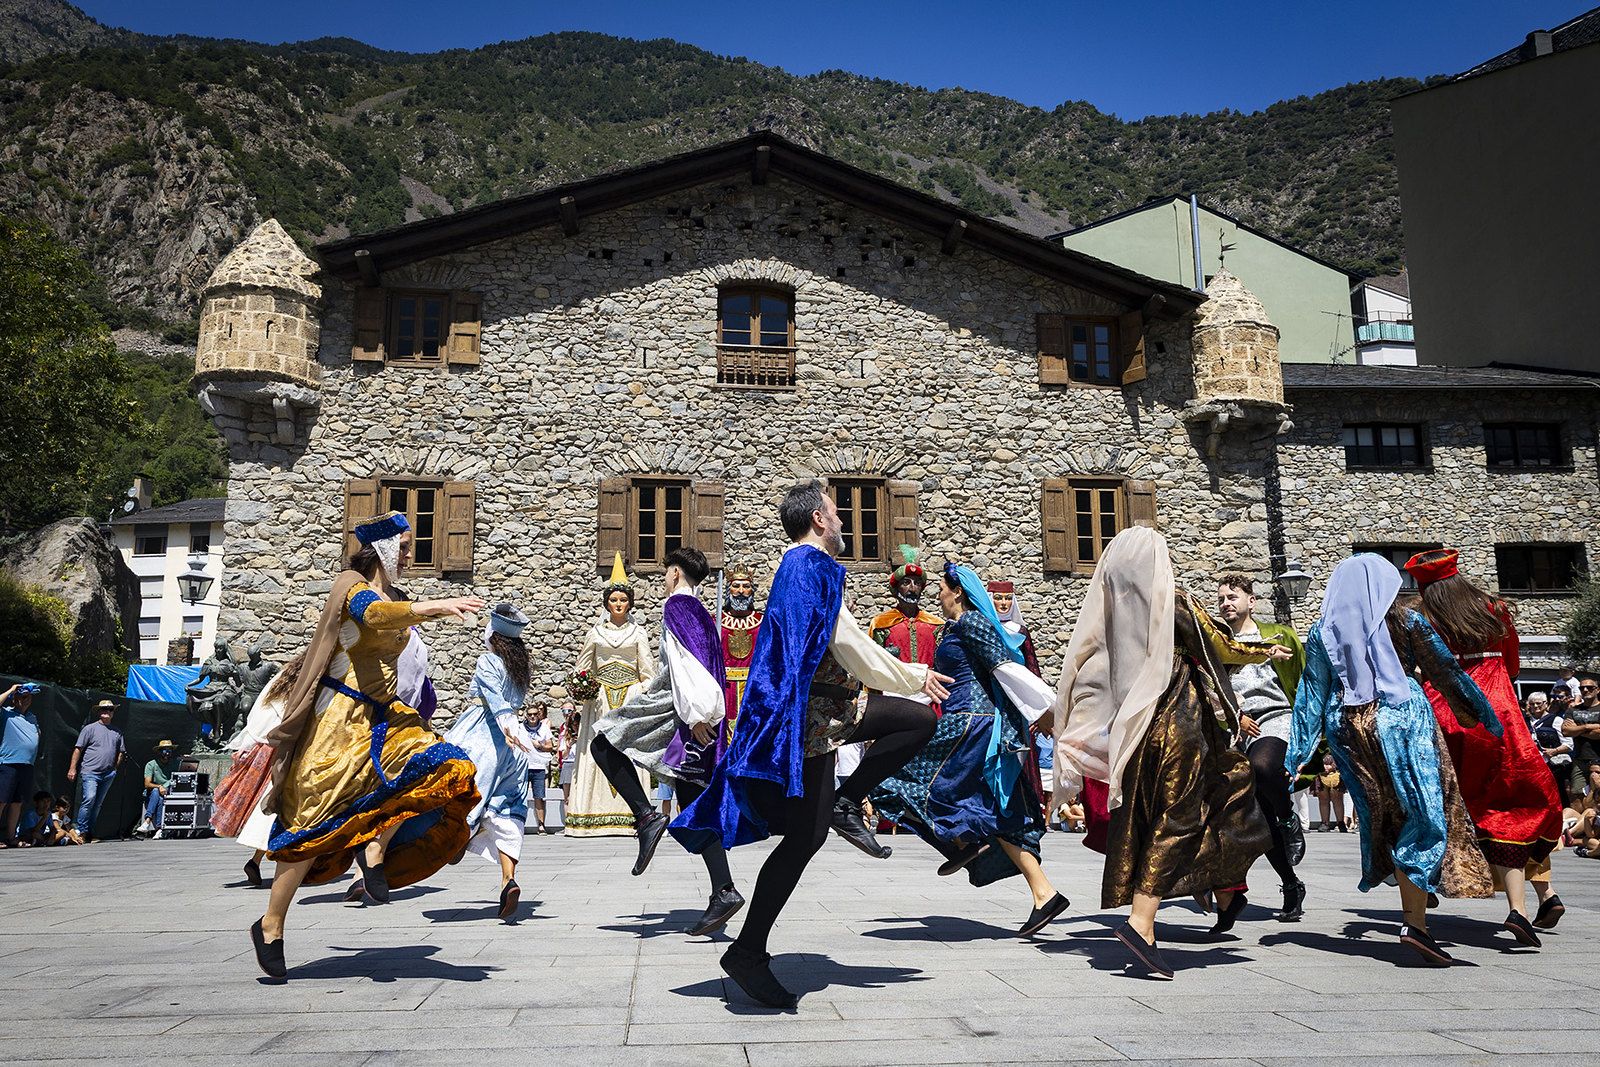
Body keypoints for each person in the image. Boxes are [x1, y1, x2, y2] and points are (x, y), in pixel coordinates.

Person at [672, 480, 950, 1009]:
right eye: (837, 513)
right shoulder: (807, 567)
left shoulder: (807, 569)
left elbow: (836, 636)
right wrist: (911, 676)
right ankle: (749, 950)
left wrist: (906, 675)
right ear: (819, 520)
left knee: (813, 830)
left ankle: (751, 947)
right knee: (807, 835)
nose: (844, 521)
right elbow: (837, 643)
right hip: (813, 719)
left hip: (825, 711)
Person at [248, 511, 483, 980]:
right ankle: (271, 924)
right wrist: (436, 607)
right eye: (406, 547)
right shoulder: (351, 585)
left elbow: (396, 623)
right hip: (337, 723)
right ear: (382, 549)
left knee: (446, 767)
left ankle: (375, 852)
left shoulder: (397, 596)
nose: (411, 555)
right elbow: (374, 616)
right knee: (310, 830)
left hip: (386, 719)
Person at [1052, 527, 1273, 980]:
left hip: (1135, 729)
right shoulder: (1174, 599)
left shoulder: (1114, 613)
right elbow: (1215, 646)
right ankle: (1142, 922)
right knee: (1185, 814)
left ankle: (1219, 889)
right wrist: (1256, 663)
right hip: (1180, 720)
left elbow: (1088, 666)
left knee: (1178, 807)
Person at [1287, 553, 1499, 968]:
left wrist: (1297, 753)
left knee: (1384, 815)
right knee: (1424, 813)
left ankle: (1415, 897)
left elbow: (1311, 693)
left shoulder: (1320, 630)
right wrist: (1480, 714)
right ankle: (1414, 921)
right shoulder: (1406, 620)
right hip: (1401, 720)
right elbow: (1446, 672)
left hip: (1346, 725)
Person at [872, 561, 1068, 936]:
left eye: (942, 590)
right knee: (1002, 813)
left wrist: (1046, 710)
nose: (939, 596)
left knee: (890, 780)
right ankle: (1046, 894)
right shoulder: (955, 629)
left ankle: (963, 841)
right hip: (965, 721)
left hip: (970, 725)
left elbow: (1007, 668)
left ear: (957, 591)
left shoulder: (972, 623)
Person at [1403, 549, 1564, 940]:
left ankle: (1425, 888)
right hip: (1500, 713)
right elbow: (1512, 665)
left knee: (1452, 806)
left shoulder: (1423, 615)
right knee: (1516, 802)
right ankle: (1531, 900)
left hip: (1448, 714)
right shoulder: (1495, 607)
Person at [591, 546, 747, 936]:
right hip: (695, 713)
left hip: (677, 708)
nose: (663, 579)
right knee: (692, 802)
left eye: (665, 573)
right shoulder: (704, 614)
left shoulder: (678, 606)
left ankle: (646, 817)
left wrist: (695, 716)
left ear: (675, 573)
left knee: (602, 743)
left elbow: (687, 663)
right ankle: (724, 890)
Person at [1215, 574, 1309, 922]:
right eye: (1221, 598)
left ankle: (1289, 818)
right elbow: (1213, 685)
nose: (1226, 603)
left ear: (1251, 601)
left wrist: (1311, 729)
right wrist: (1235, 715)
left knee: (1265, 768)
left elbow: (1303, 678)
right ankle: (1291, 884)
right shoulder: (1219, 643)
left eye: (1233, 596)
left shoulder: (1277, 635)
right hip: (1237, 727)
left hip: (1277, 716)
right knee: (1257, 814)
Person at [441, 602, 534, 920]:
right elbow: (511, 702)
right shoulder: (520, 665)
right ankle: (508, 880)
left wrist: (506, 727)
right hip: (516, 742)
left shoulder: (487, 661)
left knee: (461, 787)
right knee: (507, 809)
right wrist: (514, 731)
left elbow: (494, 699)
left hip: (484, 731)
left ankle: (458, 840)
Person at [567, 554, 655, 836]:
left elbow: (648, 672)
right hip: (601, 700)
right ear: (607, 603)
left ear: (630, 603)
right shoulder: (594, 634)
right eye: (614, 600)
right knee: (598, 751)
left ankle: (634, 815)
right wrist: (585, 688)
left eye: (623, 600)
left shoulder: (638, 633)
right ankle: (592, 816)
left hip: (628, 698)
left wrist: (639, 693)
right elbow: (582, 668)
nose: (618, 604)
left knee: (627, 751)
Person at [212, 654, 306, 887]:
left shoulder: (279, 683)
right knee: (279, 805)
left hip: (264, 747)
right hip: (282, 751)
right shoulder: (303, 685)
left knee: (270, 805)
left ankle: (258, 859)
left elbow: (258, 716)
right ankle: (277, 861)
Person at [989, 578, 1051, 826]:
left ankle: (1023, 810)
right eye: (998, 598)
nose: (1003, 603)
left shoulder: (1021, 633)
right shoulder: (986, 627)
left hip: (1018, 703)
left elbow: (1033, 670)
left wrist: (1038, 709)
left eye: (1007, 599)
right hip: (993, 700)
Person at [871, 545, 945, 675]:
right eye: (906, 583)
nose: (912, 588)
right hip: (895, 688)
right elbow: (873, 662)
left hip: (928, 690)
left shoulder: (935, 625)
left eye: (917, 583)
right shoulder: (881, 624)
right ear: (896, 589)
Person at [67, 700, 126, 841]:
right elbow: (78, 749)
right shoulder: (89, 729)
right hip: (90, 771)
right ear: (99, 712)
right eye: (104, 709)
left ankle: (89, 832)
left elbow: (121, 751)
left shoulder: (117, 731)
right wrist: (72, 768)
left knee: (98, 803)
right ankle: (81, 830)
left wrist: (115, 768)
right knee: (89, 799)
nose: (107, 711)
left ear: (113, 712)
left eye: (110, 709)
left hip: (108, 773)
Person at [721, 561, 765, 732]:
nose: (740, 591)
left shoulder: (763, 621)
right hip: (725, 688)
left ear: (752, 591)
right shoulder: (716, 620)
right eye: (736, 586)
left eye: (746, 586)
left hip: (754, 688)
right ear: (728, 590)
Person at [0, 682, 43, 848]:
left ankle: (11, 837)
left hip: (27, 765)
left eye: (28, 697)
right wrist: (11, 690)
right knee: (1, 801)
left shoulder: (32, 717)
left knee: (17, 802)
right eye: (21, 697)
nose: (25, 700)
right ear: (14, 699)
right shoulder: (6, 714)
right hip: (8, 763)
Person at [1564, 675, 1600, 805]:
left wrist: (1577, 730)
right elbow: (1566, 731)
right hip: (1579, 759)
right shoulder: (1573, 710)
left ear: (1597, 690)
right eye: (1582, 687)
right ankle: (1582, 823)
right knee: (1577, 797)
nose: (1585, 690)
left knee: (1597, 795)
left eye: (1589, 687)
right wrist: (1587, 727)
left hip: (1598, 758)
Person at [136, 740, 182, 838]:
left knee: (161, 797)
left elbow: (177, 777)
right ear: (159, 751)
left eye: (169, 750)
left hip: (168, 792)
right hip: (152, 793)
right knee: (157, 793)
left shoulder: (176, 763)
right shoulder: (151, 764)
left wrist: (164, 786)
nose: (167, 752)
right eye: (165, 750)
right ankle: (155, 825)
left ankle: (150, 824)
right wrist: (159, 786)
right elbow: (147, 784)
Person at [524, 703, 555, 834]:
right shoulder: (520, 728)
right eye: (530, 714)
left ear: (539, 715)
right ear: (526, 715)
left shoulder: (544, 728)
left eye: (534, 714)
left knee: (539, 796)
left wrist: (540, 746)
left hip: (538, 766)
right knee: (520, 796)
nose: (532, 717)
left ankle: (541, 825)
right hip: (523, 766)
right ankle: (519, 824)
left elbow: (550, 746)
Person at [1311, 754, 1348, 832]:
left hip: (1336, 769)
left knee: (1337, 799)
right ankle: (1324, 823)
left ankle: (1341, 822)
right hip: (1320, 769)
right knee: (1323, 800)